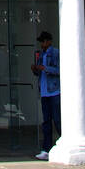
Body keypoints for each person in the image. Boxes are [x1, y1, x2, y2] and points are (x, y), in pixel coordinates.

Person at [31, 30, 60, 161]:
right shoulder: (41, 54)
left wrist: (45, 68)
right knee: (46, 122)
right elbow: (39, 73)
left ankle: (62, 143)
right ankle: (46, 149)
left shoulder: (55, 53)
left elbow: (60, 70)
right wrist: (36, 69)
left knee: (57, 119)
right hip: (44, 92)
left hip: (54, 91)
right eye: (41, 42)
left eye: (43, 41)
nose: (41, 44)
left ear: (49, 41)